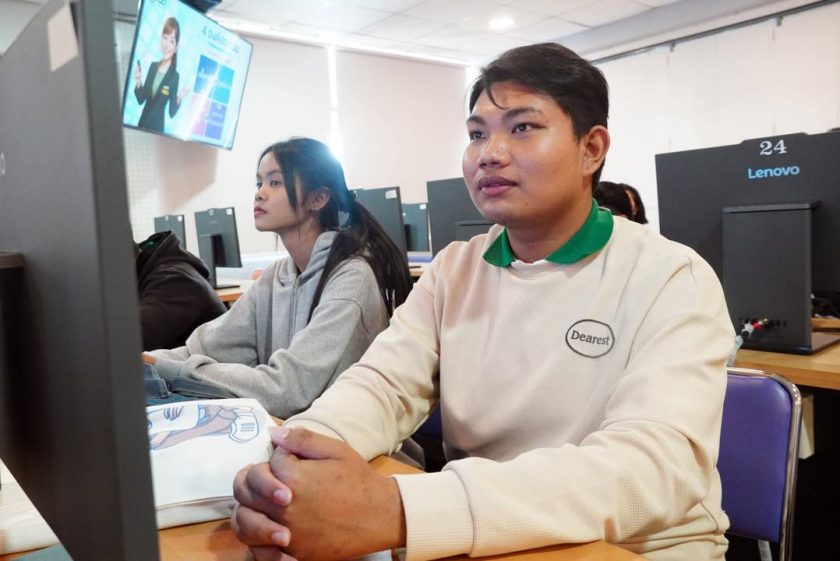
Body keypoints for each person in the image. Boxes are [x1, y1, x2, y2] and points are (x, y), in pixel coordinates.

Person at [230, 43, 733, 561]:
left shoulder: (671, 275)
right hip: (485, 540)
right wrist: (294, 461)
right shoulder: (454, 269)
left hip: (634, 548)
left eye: (522, 127)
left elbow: (652, 469)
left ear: (592, 149)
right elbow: (380, 386)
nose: (489, 152)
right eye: (476, 134)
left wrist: (401, 511)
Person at [143, 137, 412, 419]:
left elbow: (287, 390)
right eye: (259, 183)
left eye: (275, 182)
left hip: (349, 437)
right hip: (291, 430)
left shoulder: (352, 278)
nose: (260, 194)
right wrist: (148, 362)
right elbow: (204, 347)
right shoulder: (275, 276)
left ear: (318, 198)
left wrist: (171, 369)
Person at [135, 229, 227, 351]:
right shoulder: (144, 273)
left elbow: (128, 342)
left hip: (208, 362)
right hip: (180, 361)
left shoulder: (175, 282)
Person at [133, 16, 188, 133]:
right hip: (142, 125)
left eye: (171, 41)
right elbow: (141, 99)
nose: (166, 44)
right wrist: (138, 82)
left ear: (176, 47)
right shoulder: (153, 67)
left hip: (157, 131)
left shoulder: (174, 76)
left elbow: (171, 112)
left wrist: (179, 98)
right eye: (165, 37)